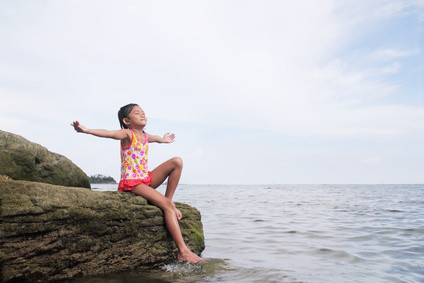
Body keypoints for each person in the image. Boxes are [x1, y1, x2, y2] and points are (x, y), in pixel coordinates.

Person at [71, 103, 203, 263]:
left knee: (177, 162)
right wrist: (86, 130)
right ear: (127, 121)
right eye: (137, 113)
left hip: (145, 179)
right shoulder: (127, 134)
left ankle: (169, 201)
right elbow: (109, 133)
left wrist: (164, 139)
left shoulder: (145, 136)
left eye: (143, 113)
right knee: (167, 207)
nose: (143, 115)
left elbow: (157, 139)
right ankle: (183, 251)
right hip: (132, 183)